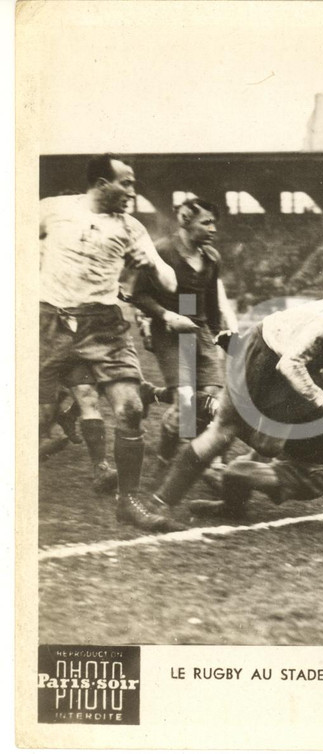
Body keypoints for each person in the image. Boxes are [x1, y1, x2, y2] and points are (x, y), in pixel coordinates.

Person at [145, 291, 323, 521]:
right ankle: (162, 501)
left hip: (290, 363)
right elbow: (289, 364)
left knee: (268, 445)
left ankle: (232, 502)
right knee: (223, 431)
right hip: (265, 354)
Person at [39, 153, 179, 531]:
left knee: (131, 408)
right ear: (102, 184)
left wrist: (150, 264)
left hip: (104, 324)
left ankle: (128, 501)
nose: (132, 192)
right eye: (126, 183)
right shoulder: (51, 210)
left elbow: (170, 283)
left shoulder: (131, 228)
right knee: (38, 417)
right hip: (50, 321)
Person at [131, 197, 238, 469]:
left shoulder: (211, 257)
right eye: (207, 222)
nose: (213, 228)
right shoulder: (163, 252)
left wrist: (217, 337)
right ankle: (165, 459)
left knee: (212, 403)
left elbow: (211, 303)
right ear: (185, 221)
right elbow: (139, 295)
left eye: (215, 222)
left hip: (200, 332)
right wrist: (167, 315)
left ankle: (210, 462)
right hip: (169, 332)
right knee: (186, 406)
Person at [188, 373, 323, 519]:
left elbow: (268, 446)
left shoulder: (308, 388)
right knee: (236, 467)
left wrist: (227, 418)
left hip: (310, 474)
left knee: (234, 472)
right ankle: (227, 484)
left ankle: (230, 508)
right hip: (287, 454)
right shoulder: (296, 382)